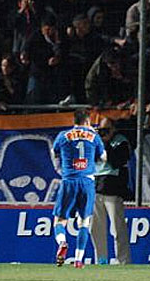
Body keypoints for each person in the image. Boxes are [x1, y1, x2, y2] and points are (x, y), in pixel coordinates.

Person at [52, 110, 106, 269]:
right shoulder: (94, 136)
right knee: (84, 222)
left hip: (69, 180)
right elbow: (104, 157)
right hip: (87, 181)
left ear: (74, 120)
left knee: (60, 220)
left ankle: (62, 242)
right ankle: (78, 260)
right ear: (88, 121)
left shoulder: (63, 135)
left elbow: (54, 153)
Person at [90, 118, 132, 265]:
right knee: (96, 229)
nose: (104, 133)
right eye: (101, 130)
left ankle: (123, 261)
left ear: (113, 129)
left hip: (113, 189)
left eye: (107, 129)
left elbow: (116, 161)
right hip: (95, 188)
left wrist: (106, 142)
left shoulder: (120, 142)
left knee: (117, 228)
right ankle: (101, 260)